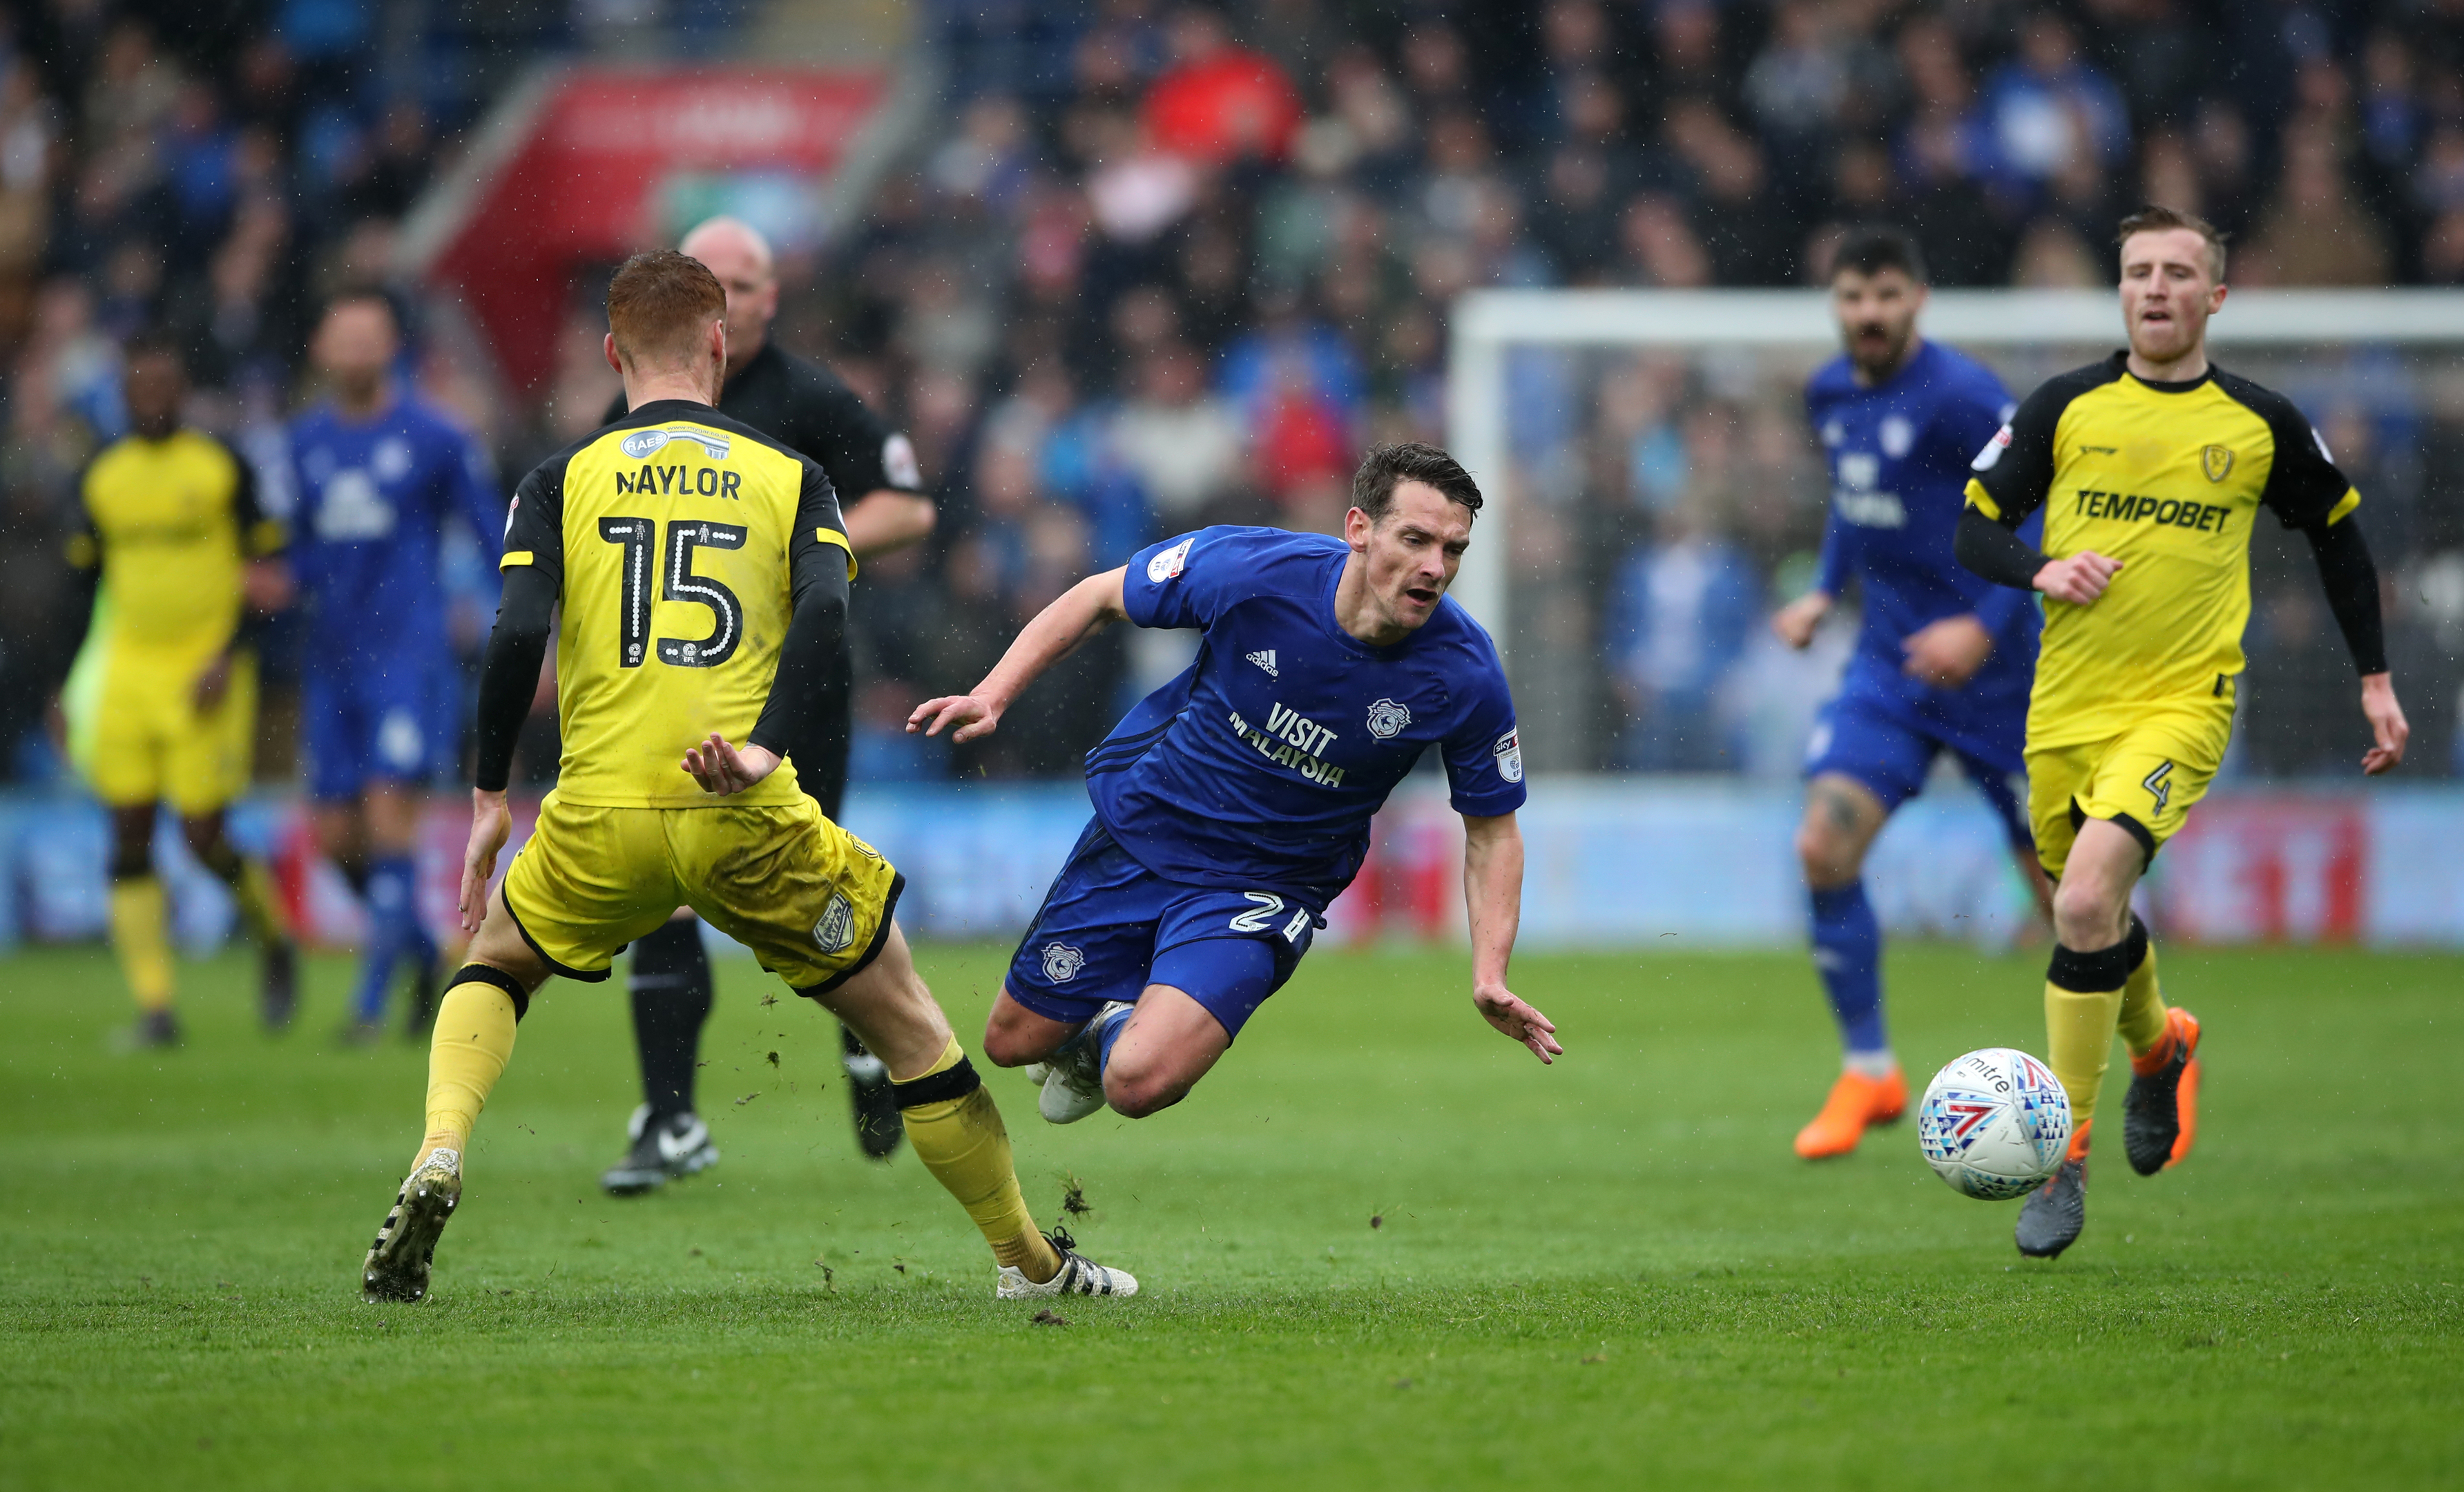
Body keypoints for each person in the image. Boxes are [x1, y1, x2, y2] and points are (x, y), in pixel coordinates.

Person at [359, 251, 1129, 1305]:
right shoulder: (786, 473)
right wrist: (765, 745)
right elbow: (824, 615)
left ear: (610, 352)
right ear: (719, 344)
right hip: (740, 808)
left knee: (496, 966)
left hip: (600, 811)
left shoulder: (560, 477)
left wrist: (492, 796)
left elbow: (515, 633)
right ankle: (1029, 1263)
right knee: (907, 1024)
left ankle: (442, 1146)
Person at [1957, 205, 2408, 1259]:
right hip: (2064, 712)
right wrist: (2040, 568)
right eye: (2137, 272)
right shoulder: (2065, 406)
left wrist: (2375, 679)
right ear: (2120, 292)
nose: (2155, 288)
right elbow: (1972, 523)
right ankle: (2162, 1047)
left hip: (2181, 705)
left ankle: (2059, 1160)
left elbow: (2340, 540)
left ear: (2215, 295)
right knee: (2094, 919)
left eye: (2176, 272)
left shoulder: (2261, 424)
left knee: (2077, 900)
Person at [907, 443, 1560, 1131]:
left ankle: (1117, 1040)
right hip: (1145, 831)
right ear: (1359, 530)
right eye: (1415, 539)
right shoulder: (1251, 569)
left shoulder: (1464, 672)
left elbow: (1493, 830)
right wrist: (994, 693)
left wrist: (1489, 974)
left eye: (1452, 549)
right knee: (1011, 1042)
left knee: (1137, 1083)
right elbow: (1100, 596)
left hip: (1265, 887)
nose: (1435, 566)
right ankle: (1106, 1025)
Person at [595, 217, 936, 1195]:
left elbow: (908, 505)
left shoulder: (811, 398)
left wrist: (804, 560)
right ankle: (670, 1118)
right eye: (714, 283)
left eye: (747, 284)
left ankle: (871, 1039)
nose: (731, 302)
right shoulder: (637, 408)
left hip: (796, 688)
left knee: (807, 885)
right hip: (667, 694)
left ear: (772, 299)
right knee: (658, 888)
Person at [1769, 227, 2050, 1160]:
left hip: (2000, 678)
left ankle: (2153, 1049)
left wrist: (1981, 622)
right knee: (1824, 841)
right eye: (1854, 297)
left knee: (2066, 904)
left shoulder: (1964, 395)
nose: (1870, 314)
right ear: (1836, 304)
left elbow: (2036, 505)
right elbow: (1856, 498)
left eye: (1886, 295)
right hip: (1890, 671)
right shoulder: (1831, 391)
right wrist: (1823, 586)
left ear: (1918, 299)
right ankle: (1869, 1069)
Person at [59, 337, 297, 1046]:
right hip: (128, 672)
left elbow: (268, 578)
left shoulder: (222, 465)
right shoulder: (103, 475)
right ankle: (156, 1007)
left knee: (201, 837)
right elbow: (80, 589)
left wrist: (230, 654)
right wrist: (66, 682)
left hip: (207, 675)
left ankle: (272, 936)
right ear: (125, 394)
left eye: (167, 386)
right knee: (127, 831)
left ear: (184, 391)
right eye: (143, 387)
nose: (155, 398)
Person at [289, 292, 504, 1043]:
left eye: (367, 337)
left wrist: (518, 624)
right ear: (320, 347)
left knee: (388, 822)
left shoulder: (436, 437)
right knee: (336, 839)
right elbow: (295, 549)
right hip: (330, 662)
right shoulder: (302, 443)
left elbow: (487, 532)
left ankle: (369, 1007)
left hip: (408, 659)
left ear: (390, 347)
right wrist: (278, 577)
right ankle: (414, 952)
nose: (353, 350)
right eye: (340, 336)